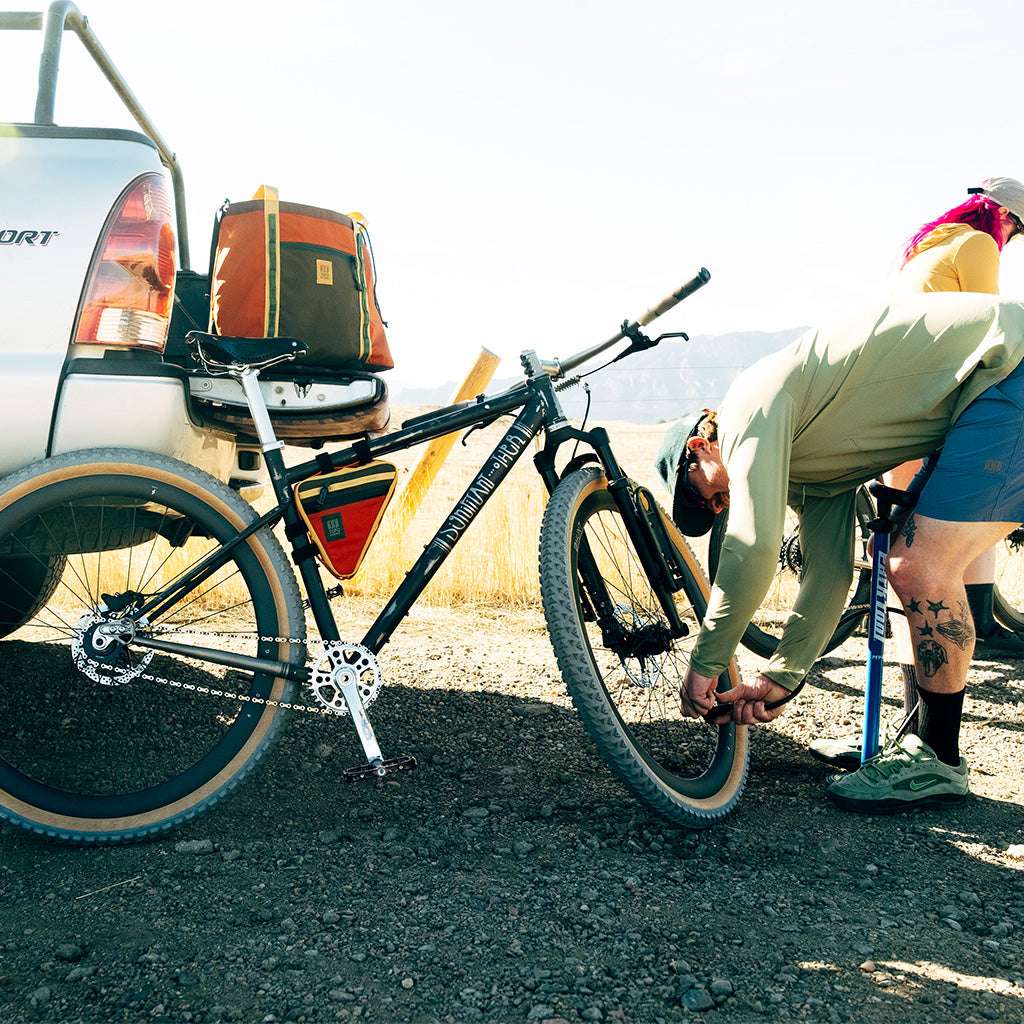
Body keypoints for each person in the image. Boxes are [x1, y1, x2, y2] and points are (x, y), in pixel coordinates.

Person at [658, 291, 1024, 813]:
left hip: (1005, 369)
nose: (715, 506)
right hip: (991, 385)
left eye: (699, 492)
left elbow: (754, 546)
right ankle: (928, 749)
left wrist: (708, 658)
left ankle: (938, 760)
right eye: (707, 511)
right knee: (901, 559)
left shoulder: (748, 404)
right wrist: (784, 677)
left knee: (919, 565)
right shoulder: (813, 467)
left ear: (698, 445)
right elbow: (829, 577)